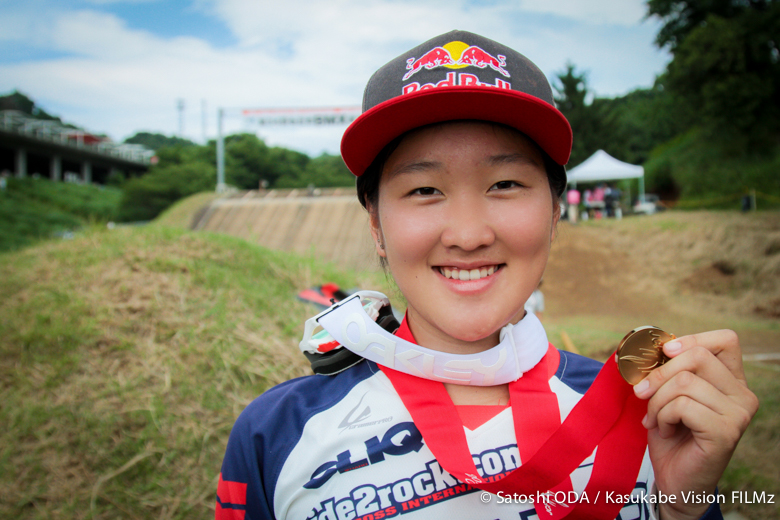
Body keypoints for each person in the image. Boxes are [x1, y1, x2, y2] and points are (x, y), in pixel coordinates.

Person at [216, 31, 757, 520]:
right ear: (376, 225)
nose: (469, 234)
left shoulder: (645, 413)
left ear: (554, 209)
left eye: (505, 184)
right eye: (424, 189)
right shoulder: (275, 435)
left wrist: (682, 512)